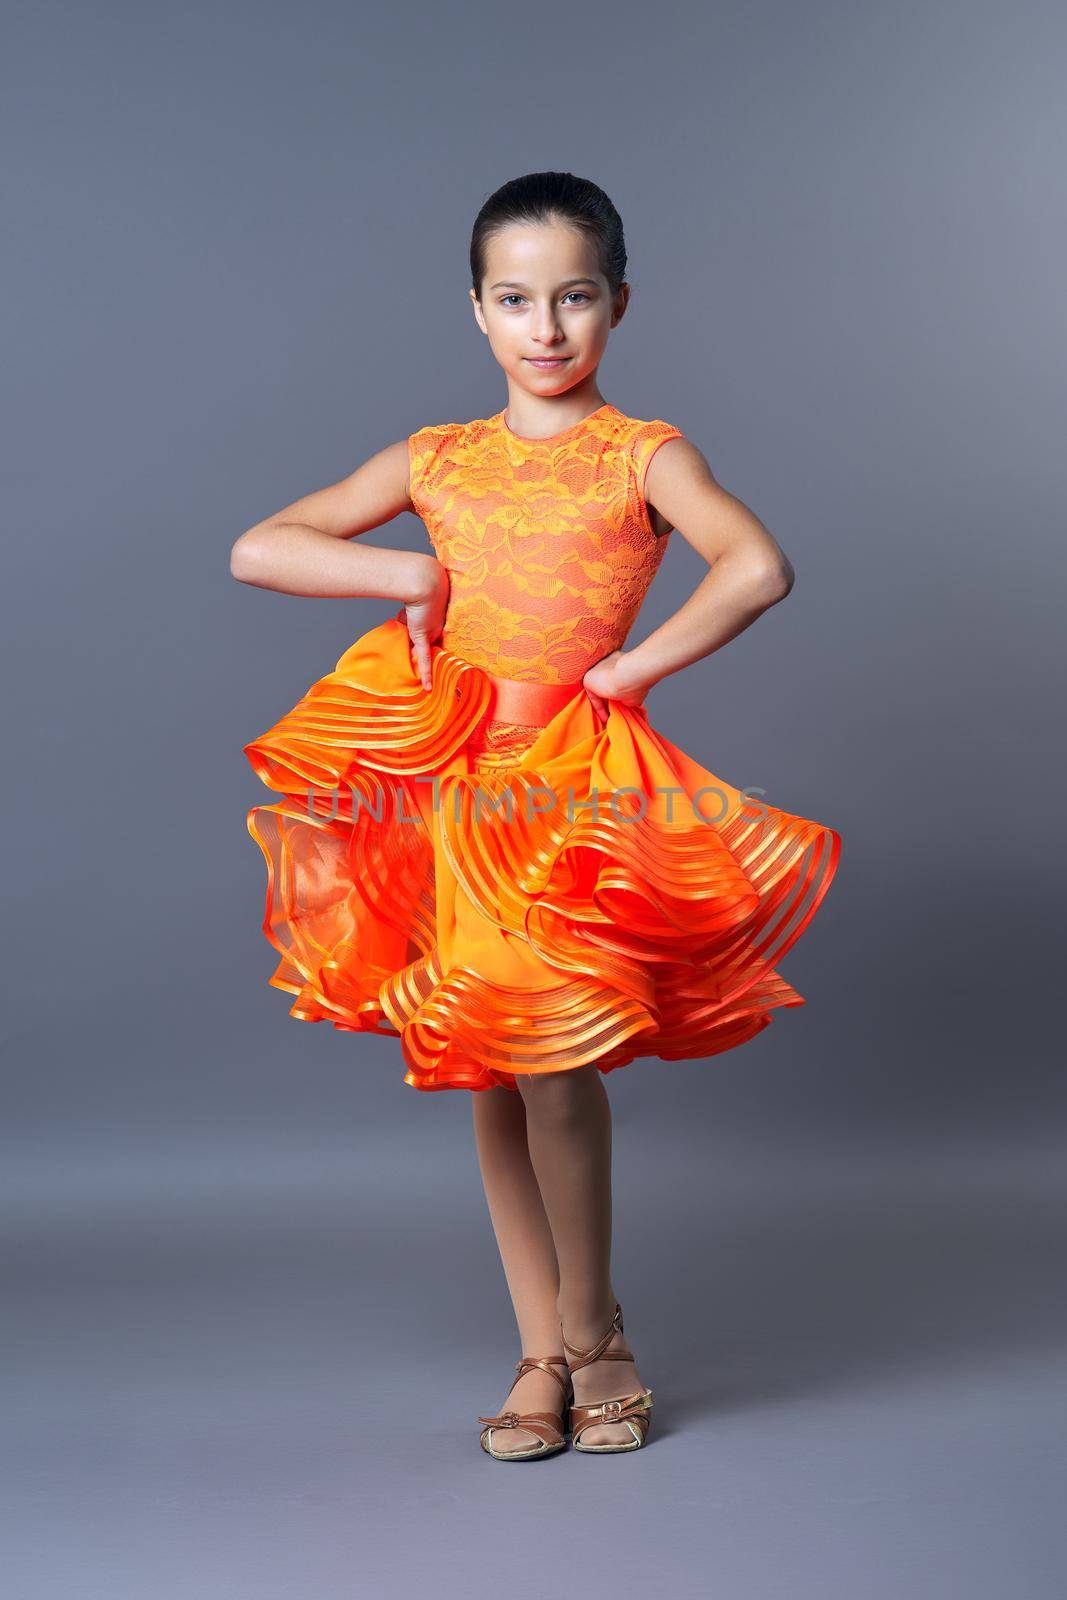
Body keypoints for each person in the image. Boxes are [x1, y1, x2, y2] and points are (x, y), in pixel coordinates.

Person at [230, 170, 841, 1460]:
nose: (546, 328)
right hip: (453, 788)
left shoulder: (641, 453)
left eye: (573, 298)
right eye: (516, 300)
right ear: (478, 312)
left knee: (556, 1066)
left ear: (619, 304)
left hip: (568, 787)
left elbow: (758, 564)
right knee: (493, 1075)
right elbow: (262, 546)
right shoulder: (437, 459)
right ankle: (540, 1355)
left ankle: (597, 1329)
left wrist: (630, 672)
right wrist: (403, 566)